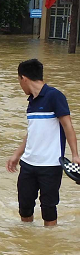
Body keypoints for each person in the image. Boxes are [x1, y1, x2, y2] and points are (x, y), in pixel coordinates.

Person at [6, 59, 80, 226]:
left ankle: (49, 246)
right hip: (28, 164)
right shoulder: (31, 102)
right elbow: (33, 132)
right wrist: (17, 154)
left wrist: (75, 155)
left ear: (24, 78)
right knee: (24, 208)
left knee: (48, 209)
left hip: (51, 165)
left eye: (19, 81)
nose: (20, 85)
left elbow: (68, 126)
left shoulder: (55, 96)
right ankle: (28, 243)